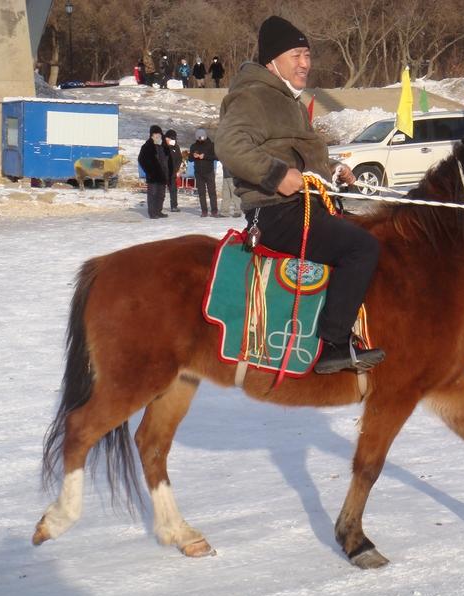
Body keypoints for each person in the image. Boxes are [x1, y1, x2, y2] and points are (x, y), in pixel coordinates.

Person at [215, 16, 384, 375]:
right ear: (272, 60)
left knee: (379, 232)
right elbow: (229, 145)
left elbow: (303, 157)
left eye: (307, 54)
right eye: (296, 55)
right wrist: (276, 175)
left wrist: (334, 170)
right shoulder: (253, 96)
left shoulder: (287, 99)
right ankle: (335, 345)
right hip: (276, 212)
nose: (305, 63)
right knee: (361, 248)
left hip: (307, 204)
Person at [137, 125, 169, 219]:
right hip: (153, 176)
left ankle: (158, 211)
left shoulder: (163, 146)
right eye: (155, 134)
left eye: (159, 134)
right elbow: (141, 159)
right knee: (152, 194)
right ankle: (152, 213)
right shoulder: (147, 146)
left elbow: (168, 159)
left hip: (162, 175)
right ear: (151, 135)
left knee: (161, 195)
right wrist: (149, 171)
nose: (157, 136)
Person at [189, 128, 219, 217]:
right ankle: (204, 211)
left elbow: (216, 157)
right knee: (201, 193)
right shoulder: (193, 146)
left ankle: (214, 211)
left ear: (205, 136)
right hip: (198, 173)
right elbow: (190, 159)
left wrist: (205, 156)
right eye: (198, 138)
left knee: (212, 192)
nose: (200, 139)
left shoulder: (211, 145)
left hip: (209, 172)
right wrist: (193, 156)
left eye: (201, 137)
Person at [164, 129, 183, 212]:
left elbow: (179, 158)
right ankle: (157, 207)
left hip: (172, 172)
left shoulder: (176, 147)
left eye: (173, 139)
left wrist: (176, 169)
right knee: (160, 190)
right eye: (170, 139)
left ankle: (174, 206)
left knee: (173, 190)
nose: (172, 140)